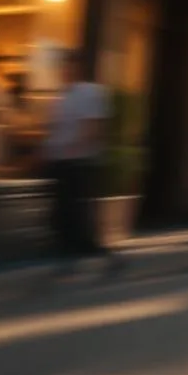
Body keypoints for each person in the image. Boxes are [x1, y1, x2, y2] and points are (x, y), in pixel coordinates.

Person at [43, 50, 123, 278]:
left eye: (68, 66)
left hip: (81, 162)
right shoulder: (63, 95)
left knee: (75, 214)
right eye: (62, 67)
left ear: (78, 67)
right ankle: (76, 256)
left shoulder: (90, 93)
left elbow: (94, 127)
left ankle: (86, 257)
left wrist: (75, 147)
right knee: (64, 213)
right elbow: (56, 129)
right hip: (61, 161)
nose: (64, 71)